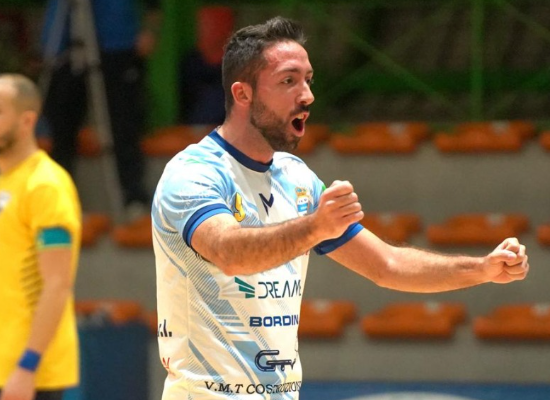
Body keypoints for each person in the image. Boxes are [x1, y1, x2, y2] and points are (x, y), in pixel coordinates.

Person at [151, 17, 529, 400]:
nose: (307, 96)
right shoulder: (193, 173)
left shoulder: (296, 178)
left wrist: (482, 268)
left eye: (308, 80)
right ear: (242, 94)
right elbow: (228, 253)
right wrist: (315, 227)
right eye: (288, 81)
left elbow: (387, 265)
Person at [40, 0, 162, 219]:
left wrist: (150, 29)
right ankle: (56, 200)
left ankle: (133, 197)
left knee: (123, 122)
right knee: (61, 127)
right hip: (63, 42)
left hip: (116, 42)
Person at [0, 74, 81, 400]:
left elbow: (57, 284)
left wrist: (27, 367)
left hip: (29, 373)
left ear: (27, 121)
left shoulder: (46, 186)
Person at [178, 6, 234, 125]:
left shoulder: (239, 66)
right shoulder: (190, 63)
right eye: (205, 25)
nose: (210, 30)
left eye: (216, 24)